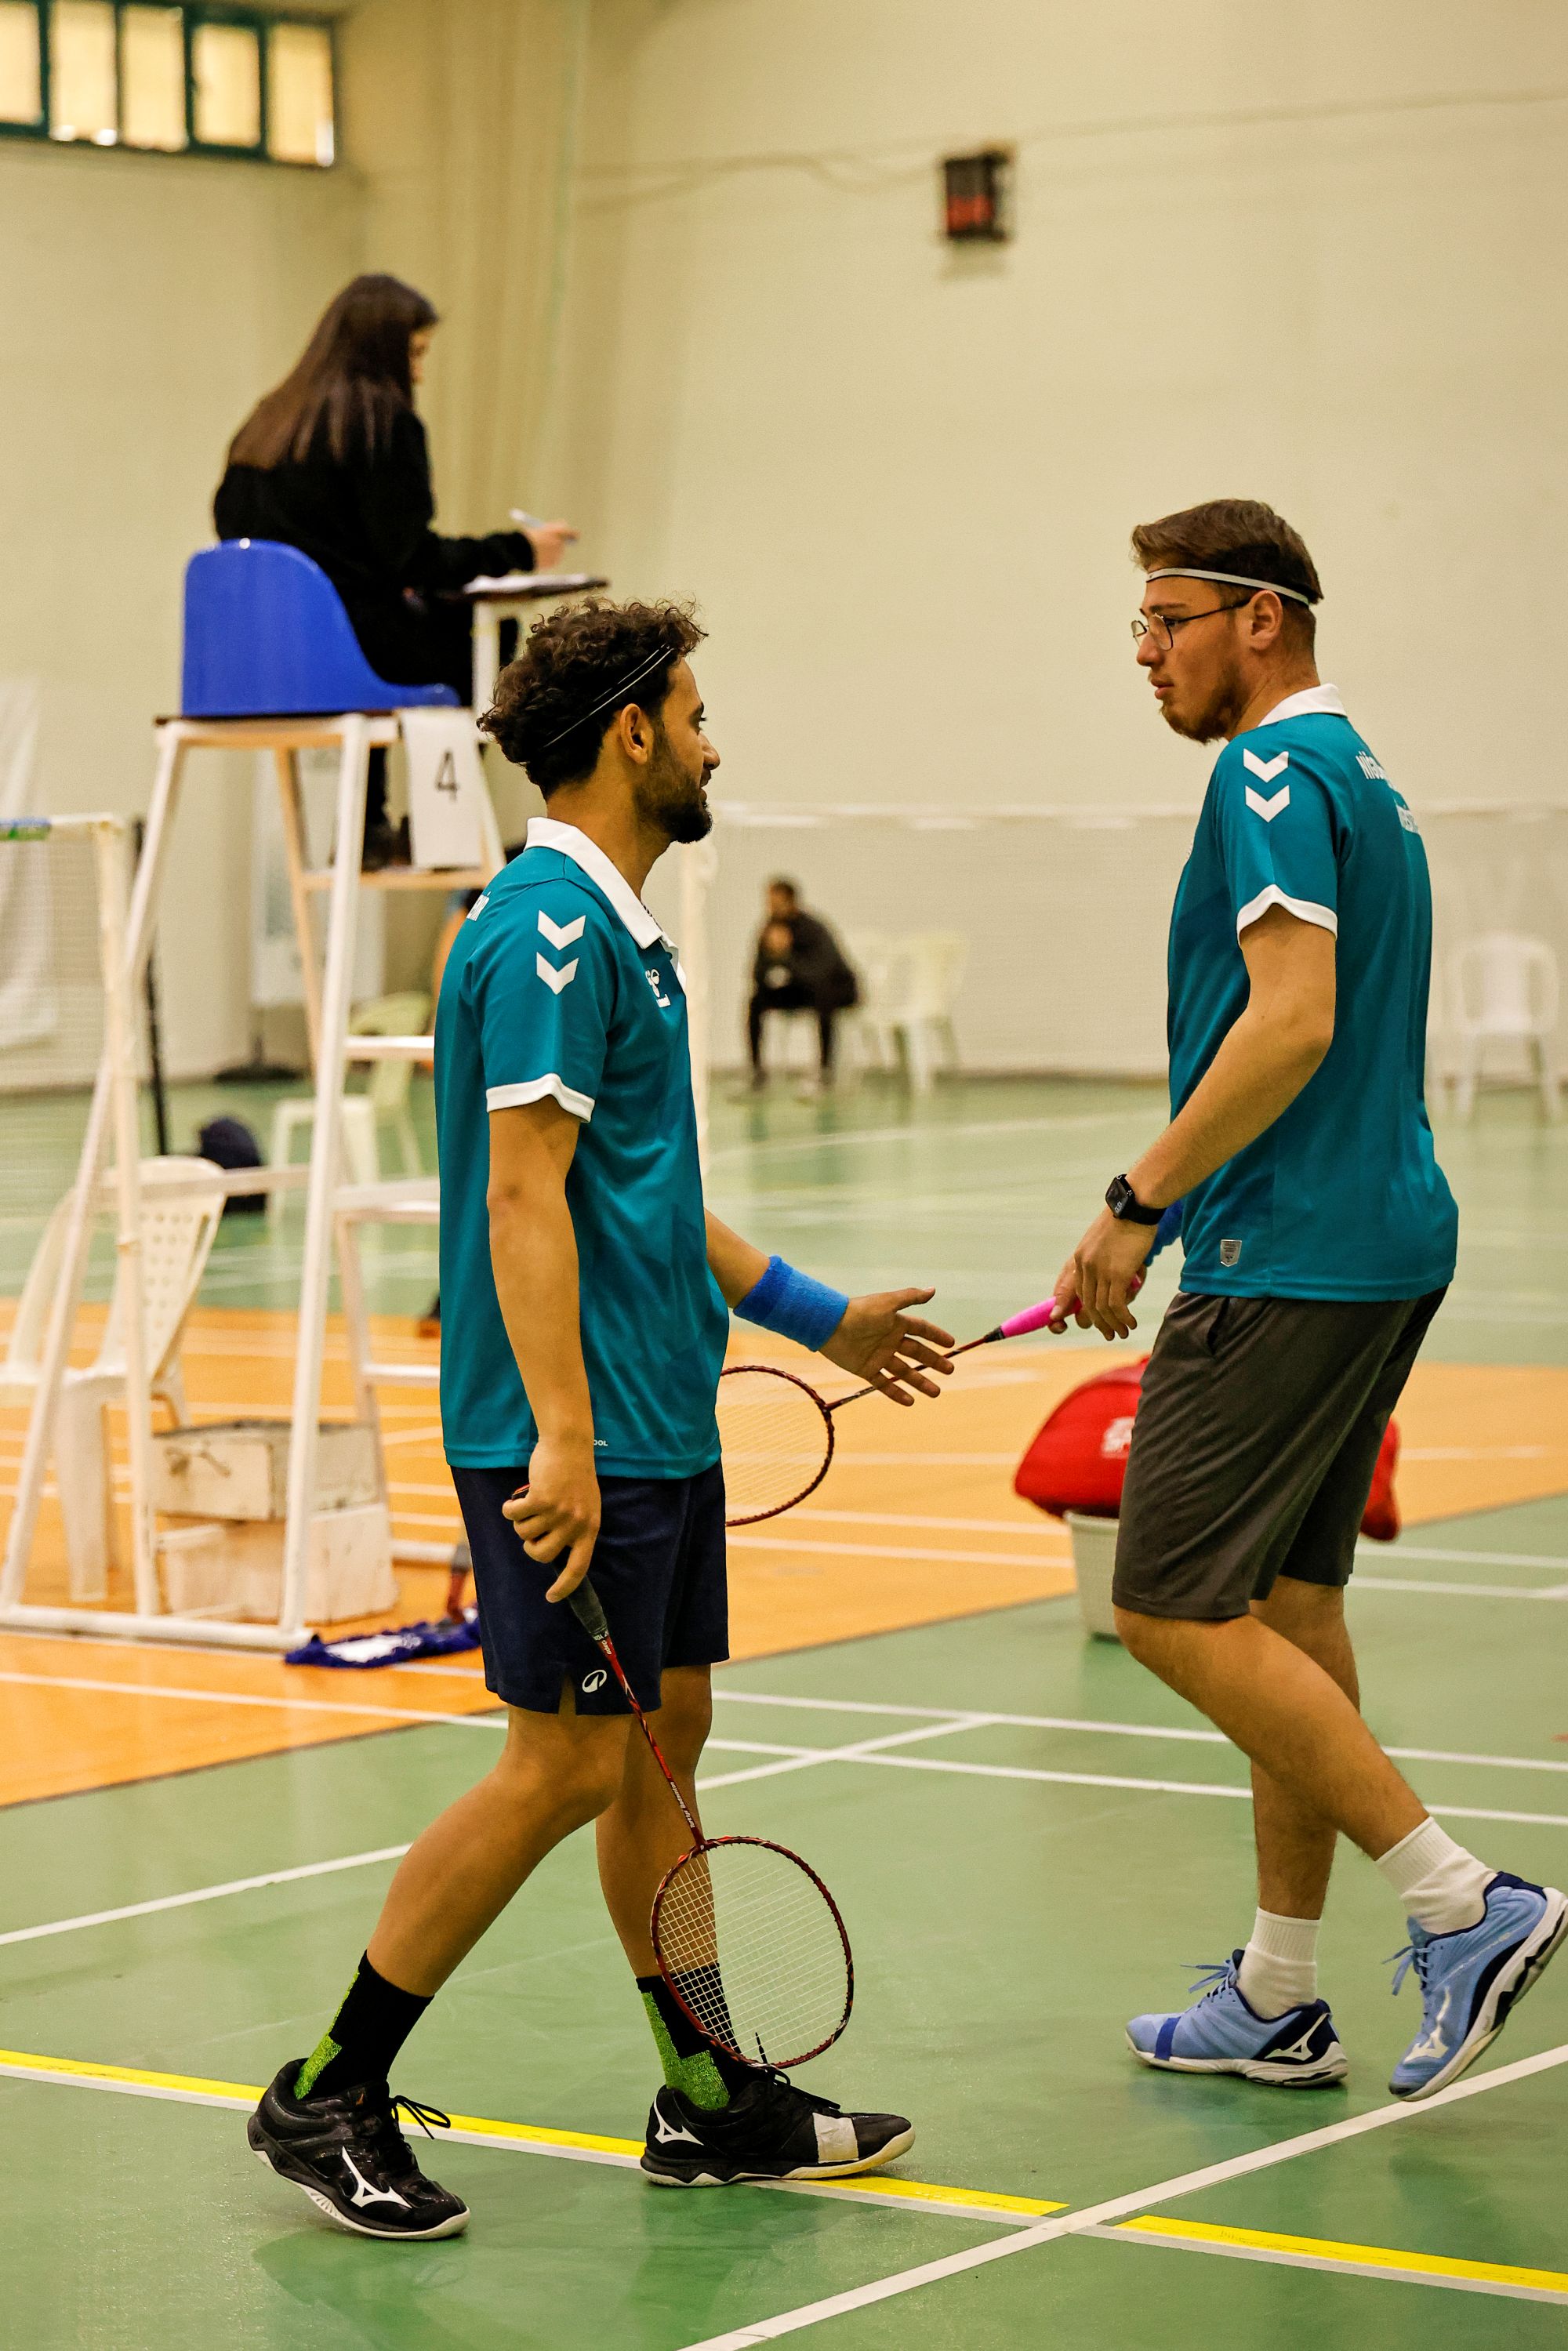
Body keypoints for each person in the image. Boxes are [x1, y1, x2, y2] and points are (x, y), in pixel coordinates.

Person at [246, 595, 954, 2238]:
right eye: (694, 714)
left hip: (658, 1420)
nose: (712, 742)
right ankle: (327, 2085)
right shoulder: (546, 932)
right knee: (561, 1758)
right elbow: (522, 1193)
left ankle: (706, 2092)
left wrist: (822, 1316)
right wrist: (559, 1437)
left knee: (663, 1731)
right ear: (632, 731)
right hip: (574, 1437)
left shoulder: (619, 934)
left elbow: (648, 1194)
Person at [1047, 498, 1564, 2099]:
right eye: (1138, 624)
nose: (1145, 652)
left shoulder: (1267, 770)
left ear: (1259, 618)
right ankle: (1276, 1989)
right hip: (1383, 1234)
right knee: (1287, 1604)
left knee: (1165, 1601)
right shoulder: (1368, 776)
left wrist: (1138, 1199)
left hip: (1291, 1249)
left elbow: (1289, 1020)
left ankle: (1461, 1900)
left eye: (1169, 619)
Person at [213, 273, 577, 863]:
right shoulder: (380, 423)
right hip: (346, 652)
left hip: (252, 661)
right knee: (477, 639)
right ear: (382, 351)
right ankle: (436, 829)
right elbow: (414, 559)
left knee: (384, 618)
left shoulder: (267, 424)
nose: (419, 373)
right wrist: (520, 549)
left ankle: (369, 826)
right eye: (414, 354)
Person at [746, 878, 859, 1094]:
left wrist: (786, 955)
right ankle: (757, 1072)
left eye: (776, 902)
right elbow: (757, 974)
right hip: (802, 990)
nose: (771, 908)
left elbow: (821, 974)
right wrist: (774, 954)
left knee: (824, 997)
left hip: (837, 990)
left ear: (791, 901)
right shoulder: (769, 929)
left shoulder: (813, 929)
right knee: (757, 1000)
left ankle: (825, 1071)